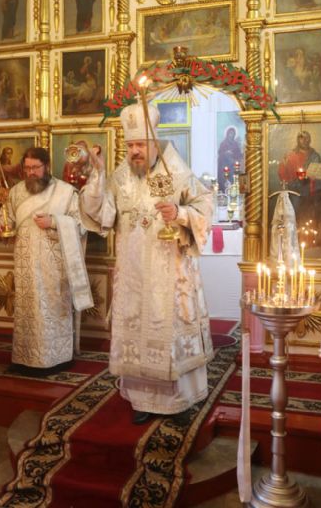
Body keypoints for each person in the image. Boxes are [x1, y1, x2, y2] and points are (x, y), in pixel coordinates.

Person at [79, 102, 213, 424]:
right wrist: (97, 175)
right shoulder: (120, 177)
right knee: (136, 333)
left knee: (170, 336)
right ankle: (141, 400)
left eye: (140, 144)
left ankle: (180, 401)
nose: (134, 151)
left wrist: (180, 213)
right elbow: (101, 215)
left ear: (154, 142)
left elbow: (206, 206)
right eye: (130, 146)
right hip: (133, 275)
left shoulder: (177, 172)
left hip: (171, 273)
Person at [0, 147, 93, 375]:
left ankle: (57, 358)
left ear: (47, 166)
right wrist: (1, 227)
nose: (31, 172)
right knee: (27, 310)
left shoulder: (65, 192)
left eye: (35, 168)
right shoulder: (16, 192)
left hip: (54, 265)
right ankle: (25, 358)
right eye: (27, 168)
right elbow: (7, 219)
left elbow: (80, 225)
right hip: (25, 263)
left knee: (52, 310)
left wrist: (54, 221)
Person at [277, 130, 321, 239]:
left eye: (307, 137)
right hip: (295, 190)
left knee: (312, 215)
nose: (304, 140)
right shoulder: (290, 155)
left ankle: (310, 237)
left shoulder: (315, 156)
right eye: (302, 137)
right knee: (295, 213)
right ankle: (294, 237)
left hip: (312, 191)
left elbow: (320, 173)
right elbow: (282, 172)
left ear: (310, 140)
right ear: (297, 140)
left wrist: (312, 178)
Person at [217, 127, 243, 192]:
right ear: (227, 134)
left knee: (233, 177)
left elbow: (238, 153)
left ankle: (233, 190)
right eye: (230, 133)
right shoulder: (223, 143)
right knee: (224, 178)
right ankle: (224, 190)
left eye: (233, 133)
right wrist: (226, 152)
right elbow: (220, 153)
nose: (231, 135)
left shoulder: (235, 144)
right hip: (224, 164)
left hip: (233, 165)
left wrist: (240, 155)